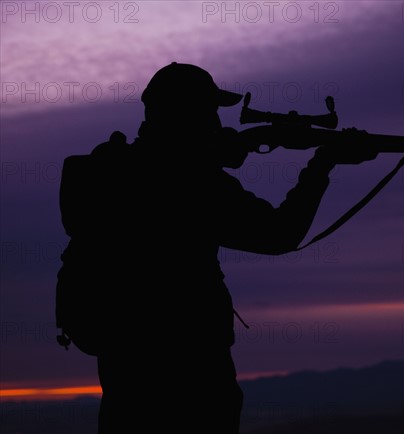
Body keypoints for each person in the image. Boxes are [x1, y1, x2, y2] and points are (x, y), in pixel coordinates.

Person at [61, 62, 377, 434]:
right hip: (190, 367)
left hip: (126, 361)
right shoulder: (193, 181)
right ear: (189, 114)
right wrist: (321, 165)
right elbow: (279, 234)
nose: (216, 121)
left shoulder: (116, 171)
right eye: (209, 111)